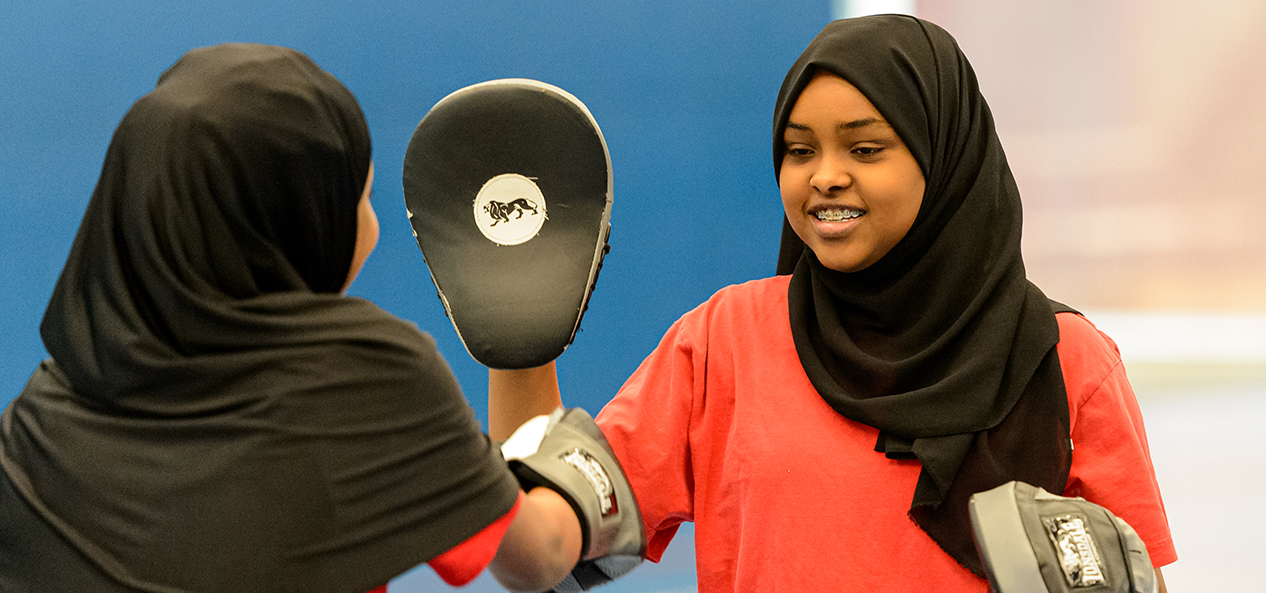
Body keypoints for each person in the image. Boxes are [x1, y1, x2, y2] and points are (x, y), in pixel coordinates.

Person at [489, 15, 1177, 592]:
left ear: (943, 157)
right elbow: (539, 553)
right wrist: (515, 333)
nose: (825, 176)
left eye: (866, 147)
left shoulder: (1065, 359)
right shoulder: (724, 339)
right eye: (797, 149)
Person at [0, 43, 584, 592]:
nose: (374, 231)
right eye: (361, 199)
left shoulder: (31, 429)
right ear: (298, 227)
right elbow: (540, 554)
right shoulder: (369, 385)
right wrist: (591, 470)